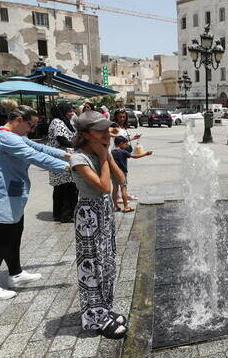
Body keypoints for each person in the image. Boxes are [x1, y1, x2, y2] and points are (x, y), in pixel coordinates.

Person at [0, 101, 69, 301]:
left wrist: (66, 154)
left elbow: (38, 147)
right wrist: (69, 166)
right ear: (19, 120)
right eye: (31, 125)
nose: (31, 130)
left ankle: (15, 274)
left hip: (10, 197)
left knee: (14, 237)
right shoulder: (5, 137)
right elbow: (33, 156)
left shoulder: (16, 136)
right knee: (1, 242)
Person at [70, 110, 128, 339]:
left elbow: (120, 180)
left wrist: (107, 154)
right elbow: (104, 187)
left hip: (103, 211)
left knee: (107, 261)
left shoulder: (102, 152)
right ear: (86, 134)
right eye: (100, 130)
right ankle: (95, 317)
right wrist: (103, 157)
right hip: (88, 214)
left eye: (107, 129)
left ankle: (104, 308)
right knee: (91, 266)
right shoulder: (79, 159)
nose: (107, 133)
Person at [48, 103, 78, 223]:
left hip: (63, 158)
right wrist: (77, 145)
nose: (72, 113)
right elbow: (62, 140)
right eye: (70, 111)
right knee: (68, 187)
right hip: (61, 159)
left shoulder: (63, 121)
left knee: (62, 187)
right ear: (63, 111)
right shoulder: (57, 122)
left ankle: (60, 213)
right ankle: (66, 214)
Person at [111, 136, 152, 212]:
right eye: (126, 144)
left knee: (115, 189)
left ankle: (115, 206)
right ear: (121, 143)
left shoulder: (111, 152)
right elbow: (134, 156)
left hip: (113, 172)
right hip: (122, 173)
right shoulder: (123, 151)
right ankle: (126, 207)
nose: (127, 145)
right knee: (123, 189)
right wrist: (145, 154)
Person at [111, 109, 141, 201]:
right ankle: (118, 196)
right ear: (116, 116)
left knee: (124, 173)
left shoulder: (123, 127)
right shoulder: (114, 127)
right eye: (120, 117)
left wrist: (132, 138)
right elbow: (111, 137)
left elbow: (123, 140)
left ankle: (125, 194)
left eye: (124, 117)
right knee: (118, 175)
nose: (122, 118)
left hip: (123, 154)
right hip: (116, 154)